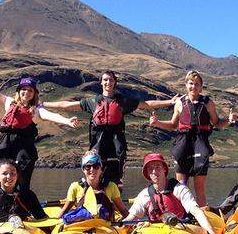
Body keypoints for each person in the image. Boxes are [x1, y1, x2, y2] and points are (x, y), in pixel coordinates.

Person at [43, 70, 179, 189]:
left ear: (115, 82)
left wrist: (169, 102)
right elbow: (66, 105)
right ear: (101, 83)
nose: (108, 82)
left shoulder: (122, 101)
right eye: (105, 80)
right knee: (95, 173)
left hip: (116, 144)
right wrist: (43, 104)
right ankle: (96, 203)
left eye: (111, 80)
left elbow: (147, 104)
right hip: (98, 143)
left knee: (115, 178)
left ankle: (114, 206)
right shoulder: (93, 102)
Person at [0, 59, 79, 188]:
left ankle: (22, 197)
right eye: (24, 89)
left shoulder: (36, 110)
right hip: (5, 144)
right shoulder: (8, 102)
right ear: (19, 91)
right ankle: (0, 196)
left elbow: (51, 116)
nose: (26, 93)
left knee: (21, 177)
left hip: (24, 147)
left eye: (30, 90)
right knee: (3, 176)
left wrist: (67, 121)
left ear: (34, 94)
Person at [149, 70, 237, 207]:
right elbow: (173, 125)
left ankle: (201, 215)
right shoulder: (179, 103)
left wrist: (230, 121)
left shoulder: (208, 103)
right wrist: (157, 123)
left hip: (200, 143)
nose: (193, 87)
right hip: (183, 143)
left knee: (199, 188)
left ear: (201, 87)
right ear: (186, 85)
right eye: (191, 83)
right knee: (181, 186)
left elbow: (217, 123)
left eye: (197, 84)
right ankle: (181, 214)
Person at [123, 153, 220, 234]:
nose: (154, 172)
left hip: (180, 230)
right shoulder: (144, 195)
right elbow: (131, 218)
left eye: (158, 167)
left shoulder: (179, 189)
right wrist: (121, 226)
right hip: (154, 232)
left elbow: (196, 211)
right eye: (150, 169)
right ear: (147, 173)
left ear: (164, 169)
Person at [56, 150, 129, 220]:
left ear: (101, 169)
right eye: (88, 167)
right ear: (83, 170)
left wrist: (134, 223)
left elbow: (123, 210)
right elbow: (64, 211)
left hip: (105, 228)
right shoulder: (75, 187)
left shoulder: (111, 186)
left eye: (96, 166)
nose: (92, 170)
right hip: (83, 228)